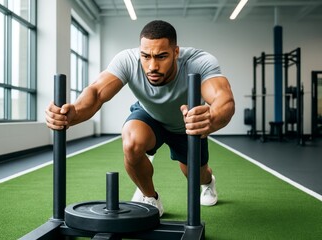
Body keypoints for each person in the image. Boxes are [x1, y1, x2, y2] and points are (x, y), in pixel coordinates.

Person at [45, 20, 235, 217]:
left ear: (176, 52)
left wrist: (210, 120)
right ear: (140, 52)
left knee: (196, 175)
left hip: (187, 124)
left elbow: (224, 99)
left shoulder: (199, 62)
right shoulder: (127, 60)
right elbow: (97, 93)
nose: (152, 66)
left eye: (162, 56)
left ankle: (208, 183)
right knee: (131, 143)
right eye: (146, 56)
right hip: (150, 116)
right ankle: (151, 198)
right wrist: (73, 113)